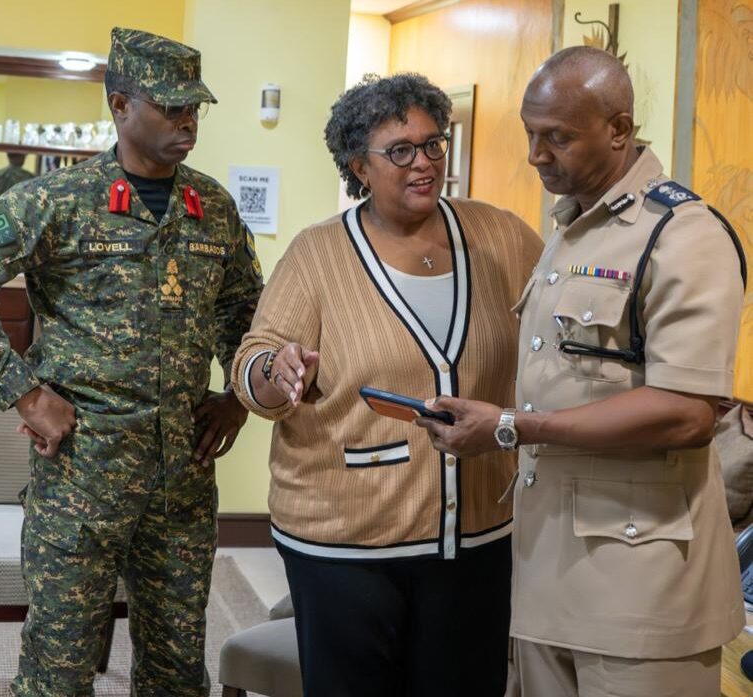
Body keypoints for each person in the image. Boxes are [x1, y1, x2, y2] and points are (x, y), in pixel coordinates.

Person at [0, 26, 263, 697]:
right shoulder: (57, 200)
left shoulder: (213, 208)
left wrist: (237, 397)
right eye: (171, 105)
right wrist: (25, 393)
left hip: (182, 480)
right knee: (59, 670)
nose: (188, 120)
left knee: (176, 672)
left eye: (194, 106)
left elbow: (245, 312)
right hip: (82, 476)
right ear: (120, 105)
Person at [416, 46, 746, 697]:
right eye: (529, 133)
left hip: (641, 590)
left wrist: (512, 426)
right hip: (549, 572)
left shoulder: (682, 235)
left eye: (556, 137)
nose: (535, 154)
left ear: (618, 130)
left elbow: (687, 414)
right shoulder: (573, 230)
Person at [231, 73, 543, 696]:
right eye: (400, 151)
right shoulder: (317, 254)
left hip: (475, 534)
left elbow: (555, 322)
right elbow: (251, 365)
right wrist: (277, 370)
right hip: (344, 543)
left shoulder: (501, 236)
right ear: (359, 167)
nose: (423, 163)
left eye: (433, 144)